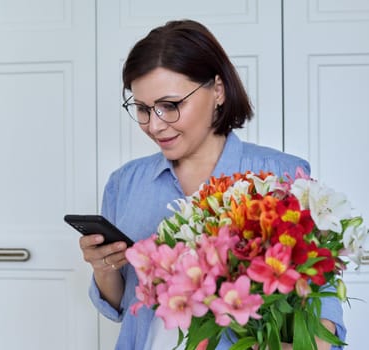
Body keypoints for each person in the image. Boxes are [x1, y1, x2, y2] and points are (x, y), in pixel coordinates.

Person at [79, 19, 345, 350]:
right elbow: (121, 308)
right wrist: (103, 268)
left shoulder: (280, 175)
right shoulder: (125, 183)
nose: (154, 125)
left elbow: (322, 300)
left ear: (217, 90)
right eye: (143, 109)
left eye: (170, 106)